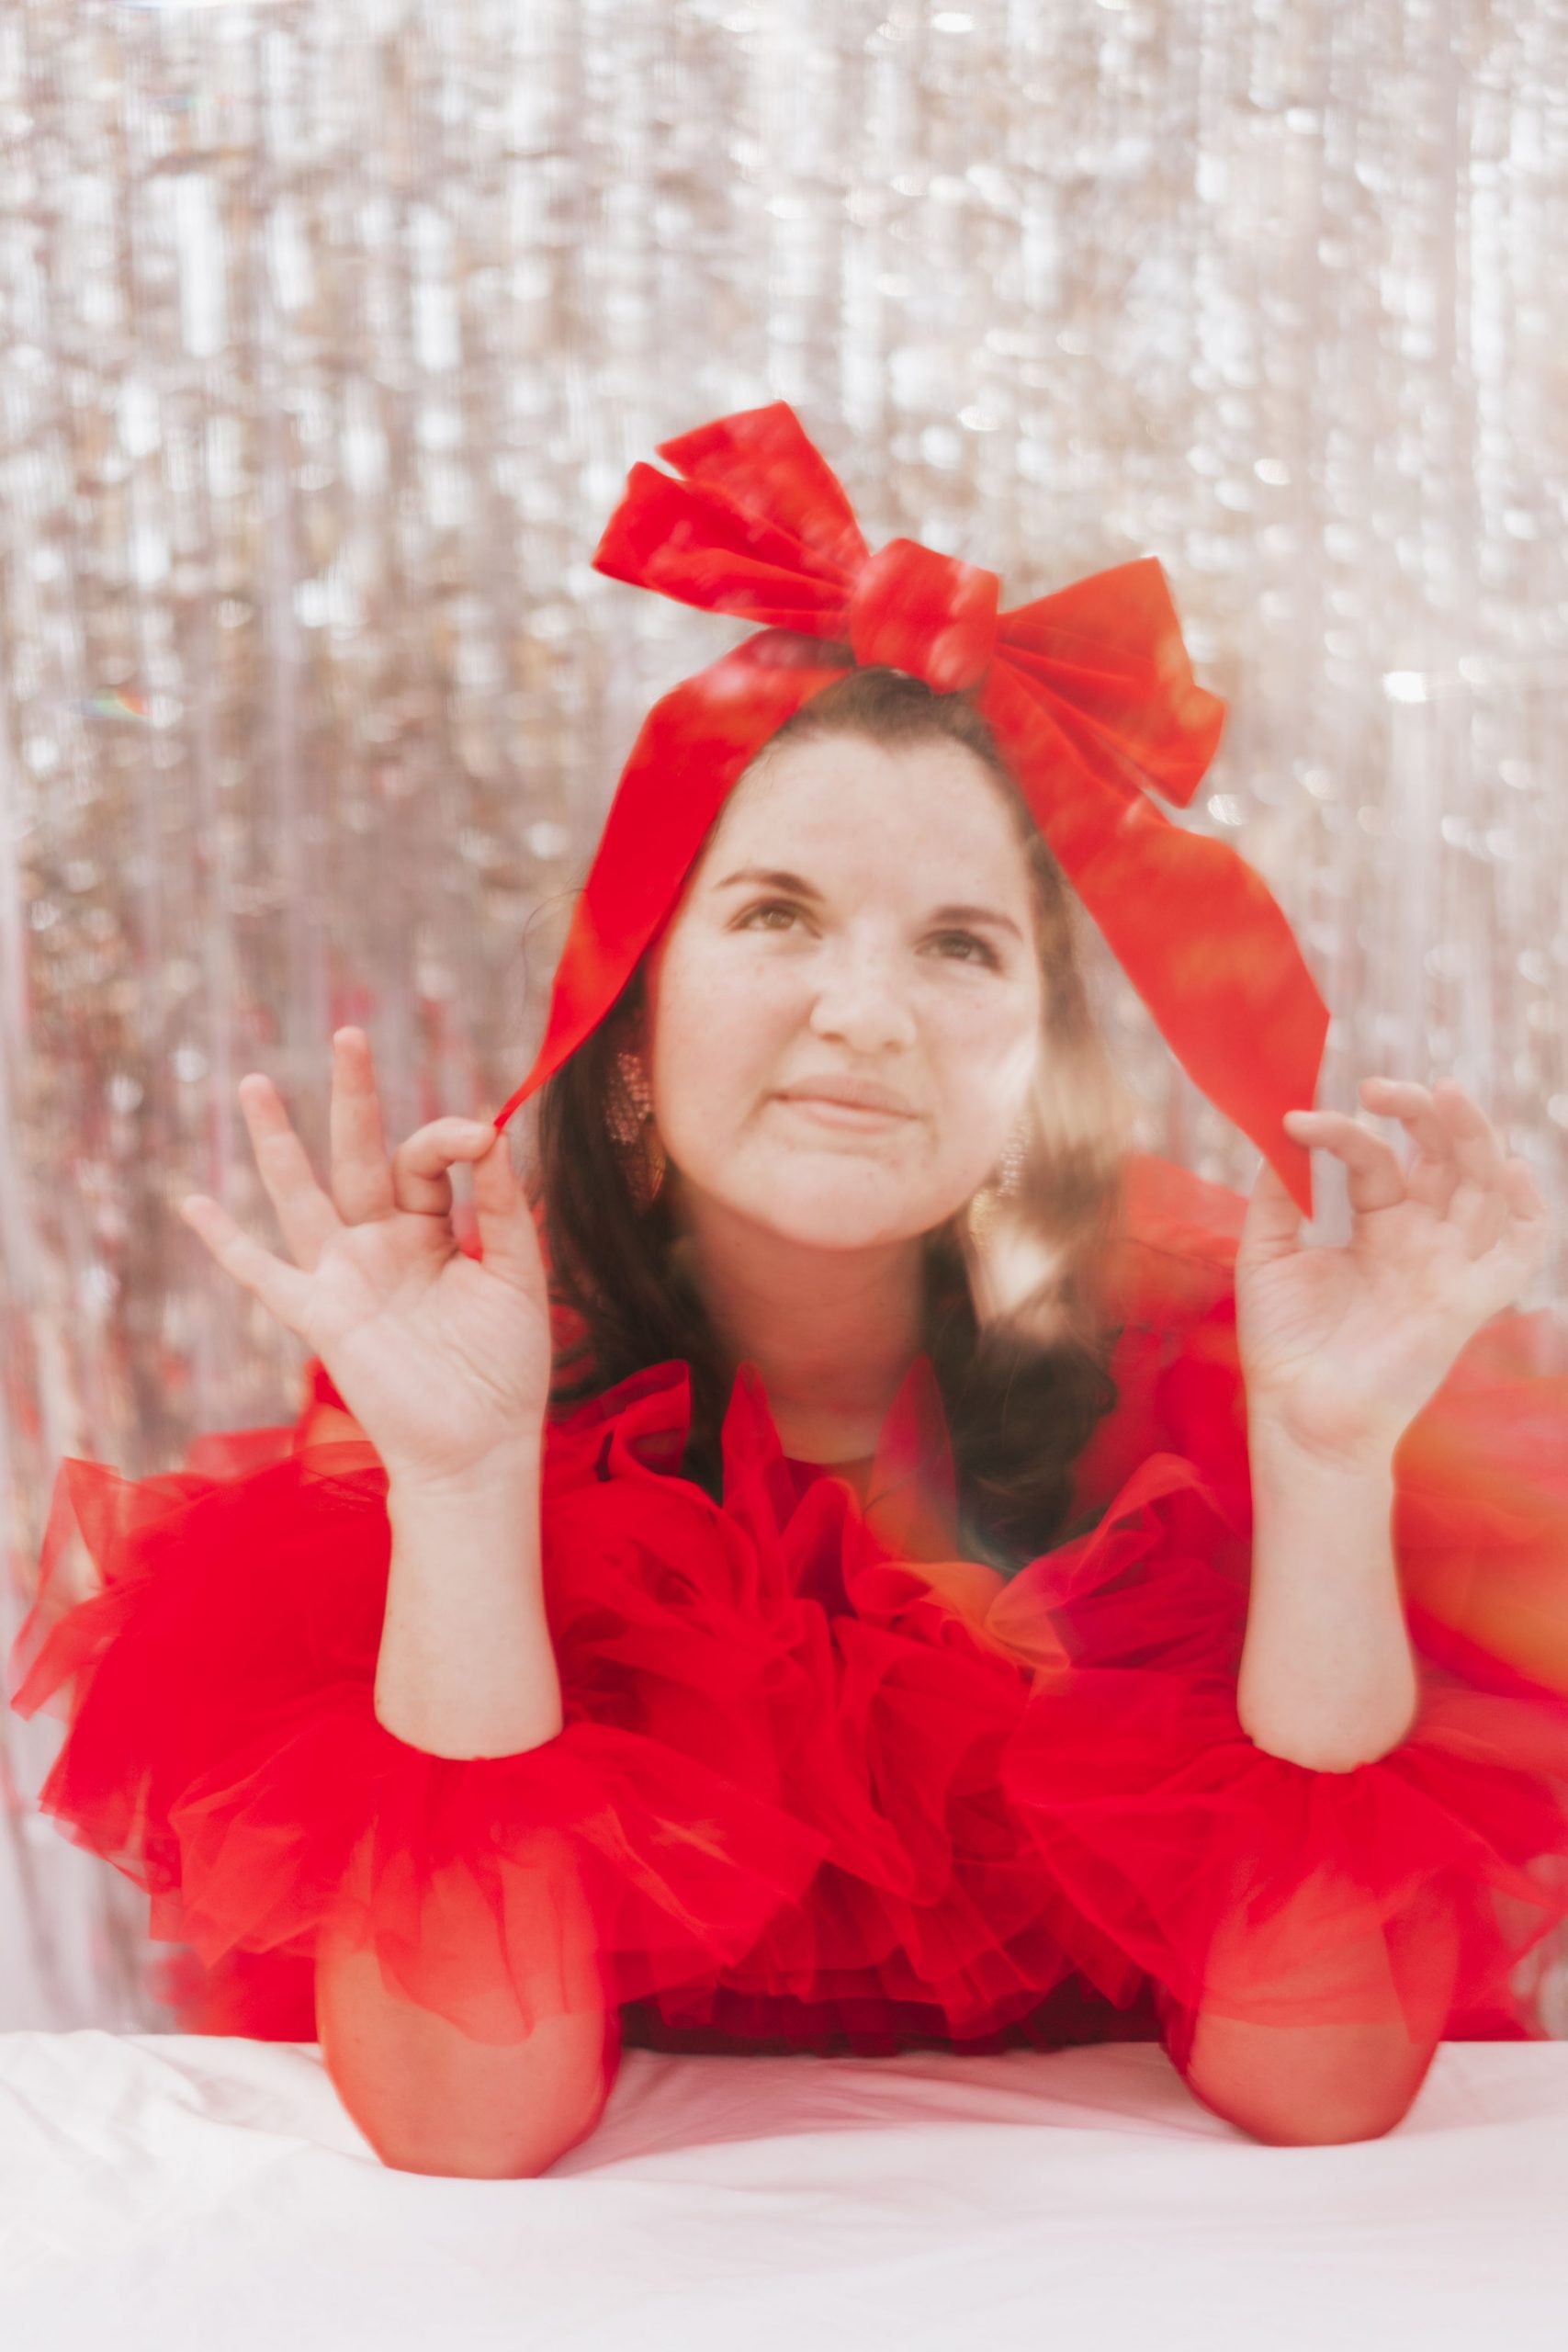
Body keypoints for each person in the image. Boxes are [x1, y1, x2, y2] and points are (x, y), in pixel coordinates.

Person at [11, 403, 1568, 2183]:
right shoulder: (453, 1386)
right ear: (632, 1026)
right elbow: (467, 2130)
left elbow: (1320, 2093)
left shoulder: (1205, 1402)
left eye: (958, 945)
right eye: (776, 915)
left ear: (1033, 1070)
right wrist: (457, 1488)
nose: (865, 1012)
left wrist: (1329, 1466)